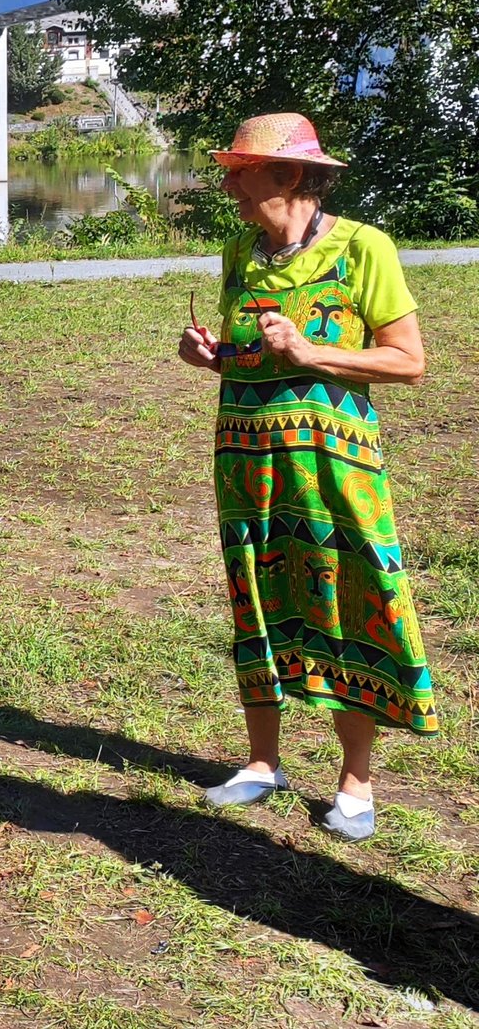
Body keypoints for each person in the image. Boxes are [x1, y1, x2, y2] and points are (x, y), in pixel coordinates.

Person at [179, 112, 435, 840]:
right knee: (255, 598)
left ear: (289, 175)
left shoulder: (363, 248)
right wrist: (212, 356)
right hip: (247, 462)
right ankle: (263, 762)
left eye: (241, 171)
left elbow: (409, 360)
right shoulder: (240, 252)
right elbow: (249, 355)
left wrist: (314, 352)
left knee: (347, 601)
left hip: (333, 469)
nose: (228, 185)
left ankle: (356, 781)